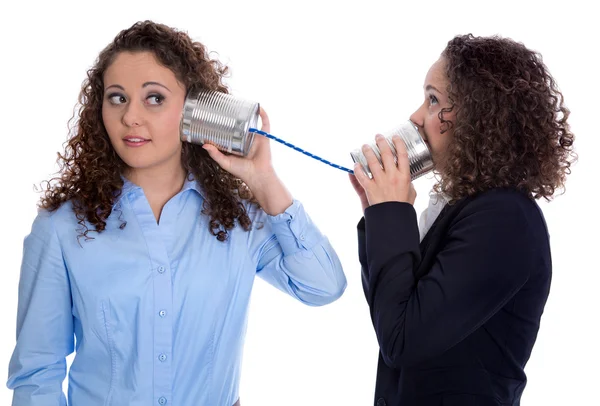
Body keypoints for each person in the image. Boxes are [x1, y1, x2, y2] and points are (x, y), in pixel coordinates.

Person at [7, 20, 347, 406]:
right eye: (117, 98)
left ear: (194, 110)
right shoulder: (62, 228)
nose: (131, 117)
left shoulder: (238, 220)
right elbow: (38, 374)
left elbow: (323, 286)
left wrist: (264, 179)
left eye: (154, 98)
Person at [349, 34, 576, 406]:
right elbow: (391, 308)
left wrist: (391, 215)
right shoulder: (466, 208)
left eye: (433, 100)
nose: (416, 117)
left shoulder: (506, 219)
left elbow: (401, 338)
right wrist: (379, 216)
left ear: (479, 118)